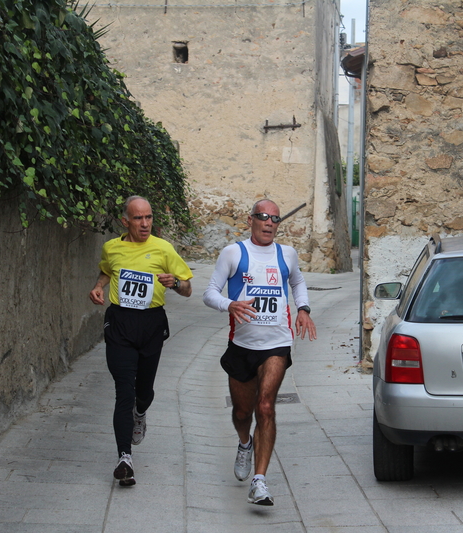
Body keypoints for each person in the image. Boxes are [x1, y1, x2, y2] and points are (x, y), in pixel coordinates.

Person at [203, 199, 316, 505]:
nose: (269, 223)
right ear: (250, 219)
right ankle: (244, 443)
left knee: (265, 407)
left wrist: (303, 308)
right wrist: (230, 304)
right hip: (241, 346)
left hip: (276, 344)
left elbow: (297, 281)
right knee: (242, 412)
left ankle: (260, 480)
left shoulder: (286, 254)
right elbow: (209, 293)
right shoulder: (233, 253)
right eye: (264, 217)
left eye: (275, 219)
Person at [89, 195, 193, 486]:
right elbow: (107, 269)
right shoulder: (112, 247)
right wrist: (98, 286)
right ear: (125, 222)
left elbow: (188, 289)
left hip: (151, 323)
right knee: (124, 389)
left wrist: (175, 284)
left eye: (148, 217)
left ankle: (141, 411)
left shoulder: (163, 249)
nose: (145, 223)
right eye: (138, 218)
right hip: (120, 322)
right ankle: (125, 458)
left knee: (143, 391)